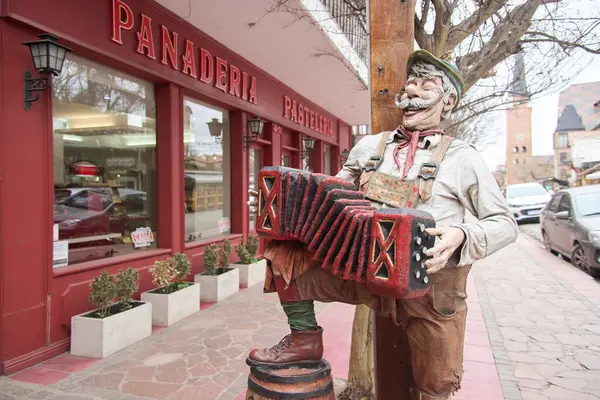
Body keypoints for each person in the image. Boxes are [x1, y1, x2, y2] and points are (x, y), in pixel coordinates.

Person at [247, 50, 518, 400]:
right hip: (364, 270)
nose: (414, 93)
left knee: (436, 383)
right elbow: (332, 193)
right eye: (411, 85)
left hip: (432, 285)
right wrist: (291, 208)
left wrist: (462, 234)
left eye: (426, 86)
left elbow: (505, 223)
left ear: (448, 101)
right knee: (282, 255)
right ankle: (304, 338)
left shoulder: (462, 157)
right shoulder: (370, 147)